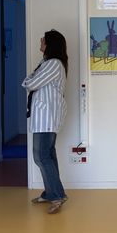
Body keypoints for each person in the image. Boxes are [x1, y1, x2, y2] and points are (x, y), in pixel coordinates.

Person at [23, 29, 69, 214]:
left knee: (41, 156)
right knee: (47, 155)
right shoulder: (48, 63)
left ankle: (57, 195)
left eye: (43, 41)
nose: (40, 43)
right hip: (45, 117)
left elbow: (30, 83)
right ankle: (52, 192)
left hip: (46, 117)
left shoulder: (53, 64)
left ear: (50, 45)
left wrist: (28, 80)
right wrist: (30, 79)